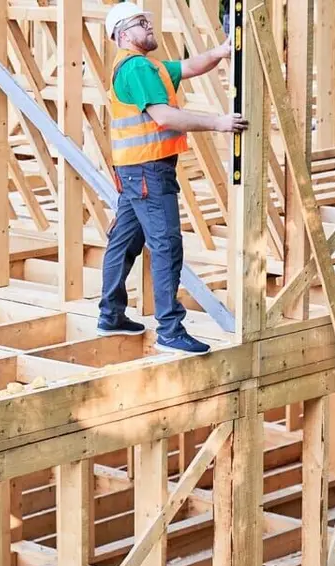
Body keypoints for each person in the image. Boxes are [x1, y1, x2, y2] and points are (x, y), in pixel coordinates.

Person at [97, 1, 248, 353]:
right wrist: (219, 123)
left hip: (137, 170)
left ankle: (110, 315)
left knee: (124, 242)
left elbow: (189, 66)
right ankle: (170, 329)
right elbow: (164, 117)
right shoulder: (135, 68)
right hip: (148, 170)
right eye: (139, 23)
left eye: (147, 21)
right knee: (166, 245)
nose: (149, 27)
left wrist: (221, 52)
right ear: (122, 35)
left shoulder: (147, 67)